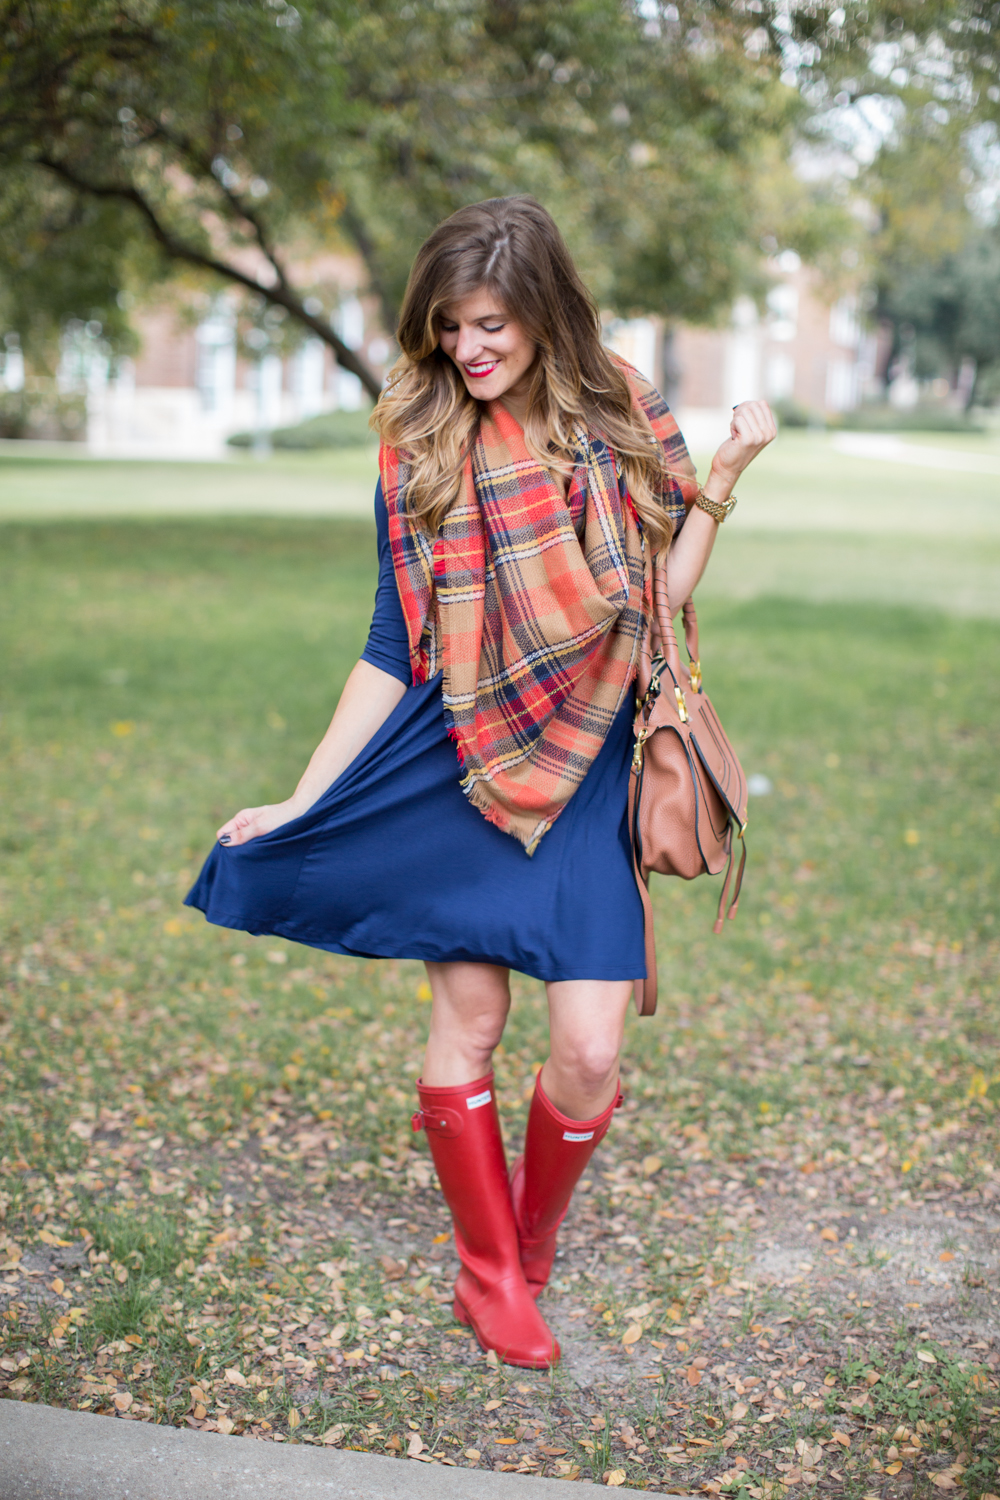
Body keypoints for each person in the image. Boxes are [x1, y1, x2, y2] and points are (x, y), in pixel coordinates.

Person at [186, 196, 775, 1371]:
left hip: (587, 760)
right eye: (452, 326)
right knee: (472, 1015)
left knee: (592, 1048)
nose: (470, 350)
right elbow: (388, 645)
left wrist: (721, 478)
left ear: (547, 314)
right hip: (455, 759)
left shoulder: (616, 411)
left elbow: (655, 600)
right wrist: (305, 800)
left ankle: (533, 1241)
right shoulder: (421, 445)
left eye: (494, 324)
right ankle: (488, 1271)